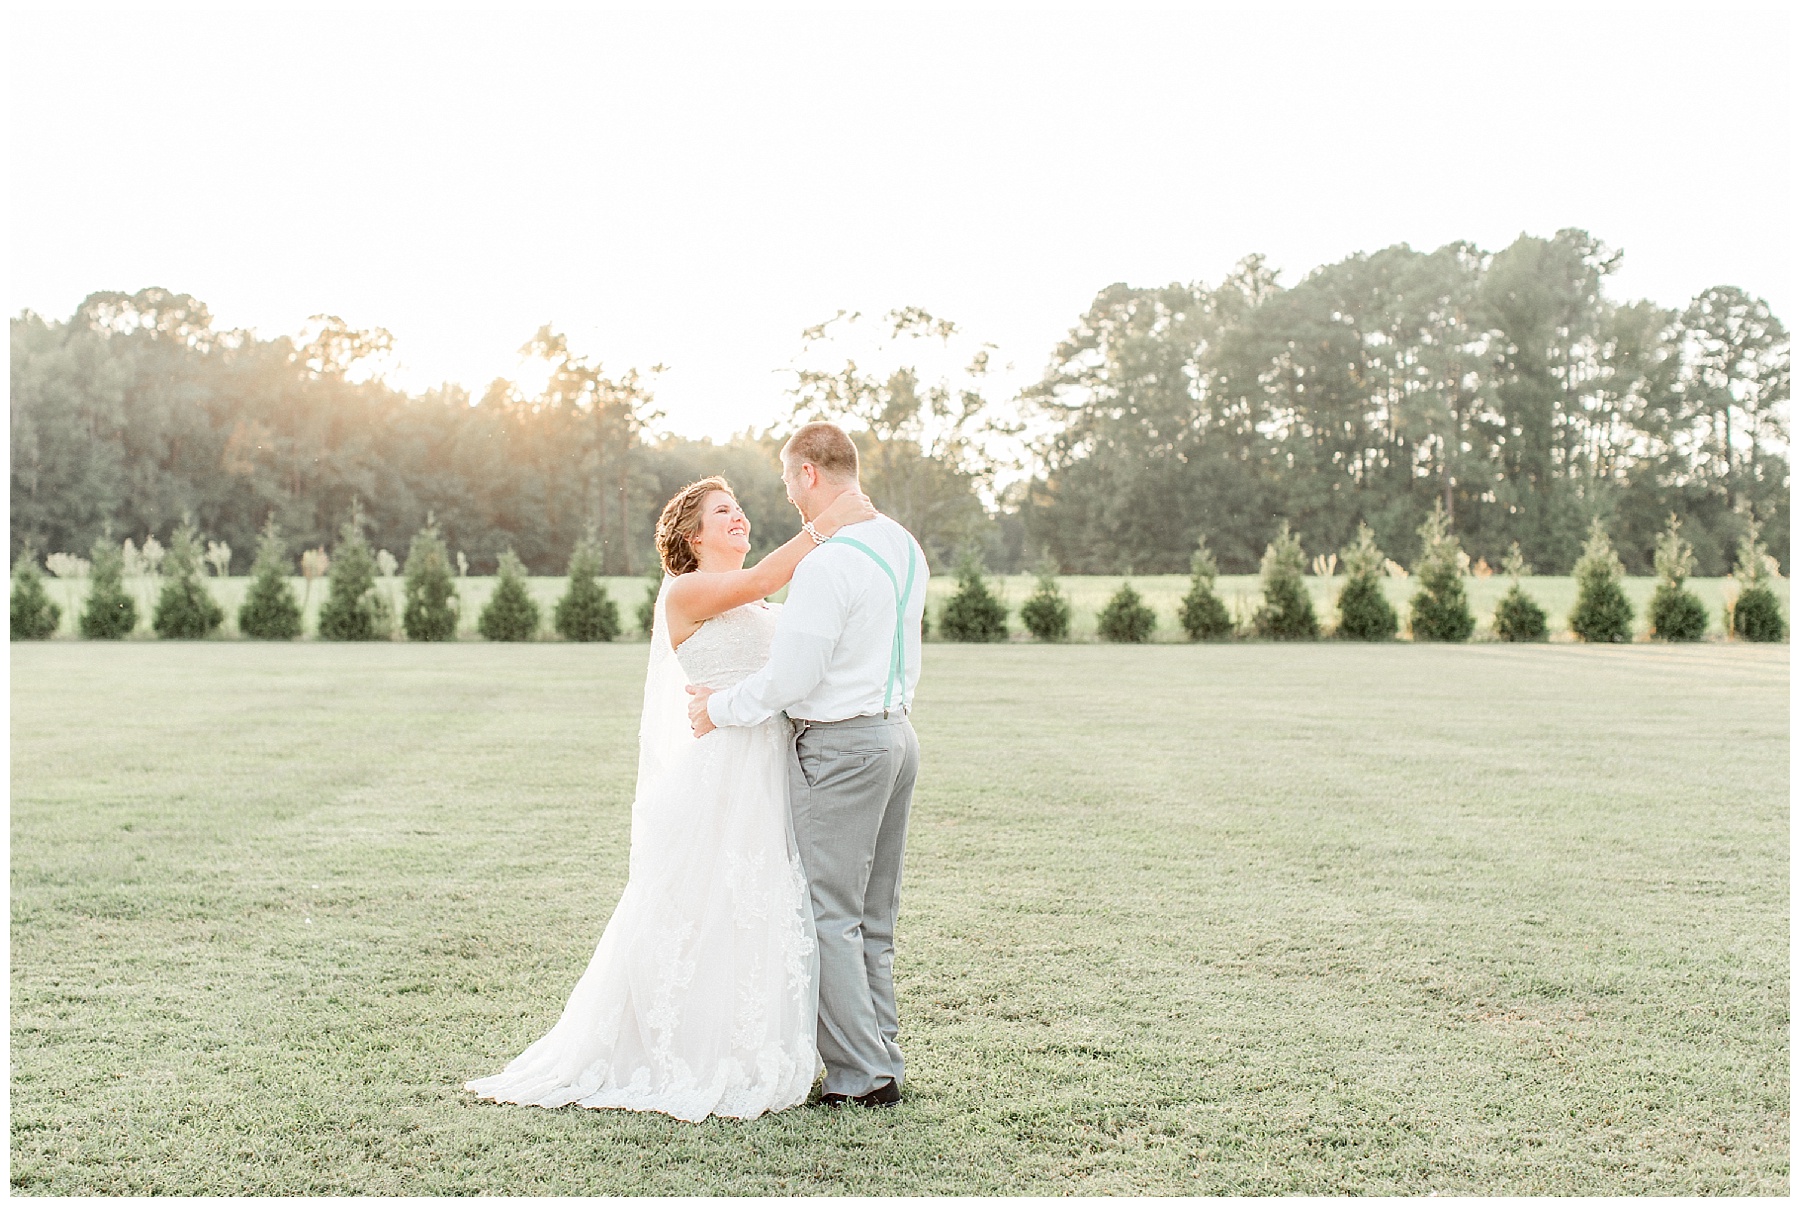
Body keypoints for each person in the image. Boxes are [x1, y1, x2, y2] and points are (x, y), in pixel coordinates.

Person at [463, 475, 875, 1122]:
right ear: (693, 535)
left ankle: (747, 1042)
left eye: (739, 508)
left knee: (758, 903)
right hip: (724, 773)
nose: (739, 517)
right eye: (723, 511)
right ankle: (677, 1049)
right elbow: (765, 576)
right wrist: (830, 520)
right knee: (701, 906)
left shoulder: (762, 607)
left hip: (772, 767)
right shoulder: (685, 591)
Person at [687, 422, 928, 1108]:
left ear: (809, 474)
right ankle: (882, 1057)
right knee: (872, 915)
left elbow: (791, 679)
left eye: (788, 478)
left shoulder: (828, 564)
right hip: (897, 735)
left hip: (842, 748)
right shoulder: (904, 545)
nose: (787, 493)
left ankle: (861, 1076)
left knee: (827, 914)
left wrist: (718, 707)